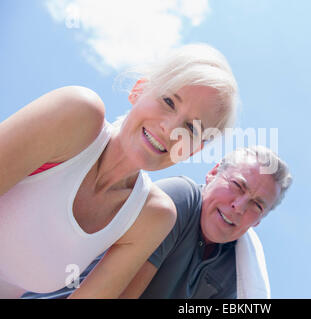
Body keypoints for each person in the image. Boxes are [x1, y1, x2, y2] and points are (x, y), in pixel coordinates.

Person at [0, 43, 239, 298]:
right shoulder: (77, 113)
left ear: (193, 150)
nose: (170, 129)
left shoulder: (153, 216)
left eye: (191, 129)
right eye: (168, 101)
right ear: (139, 90)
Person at [22, 146, 292, 299]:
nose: (238, 206)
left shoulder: (236, 270)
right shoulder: (179, 199)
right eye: (237, 186)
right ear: (212, 173)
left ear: (259, 221)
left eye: (256, 205)